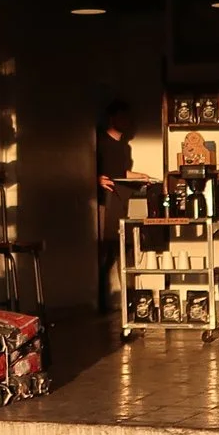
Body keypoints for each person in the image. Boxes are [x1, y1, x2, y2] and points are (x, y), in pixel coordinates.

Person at [95, 102, 136, 314]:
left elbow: (121, 172)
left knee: (123, 248)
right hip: (105, 201)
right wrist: (96, 179)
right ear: (112, 118)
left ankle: (128, 300)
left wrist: (142, 177)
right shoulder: (99, 141)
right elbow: (94, 170)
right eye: (122, 117)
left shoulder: (124, 147)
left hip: (120, 198)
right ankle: (101, 301)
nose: (126, 122)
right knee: (106, 251)